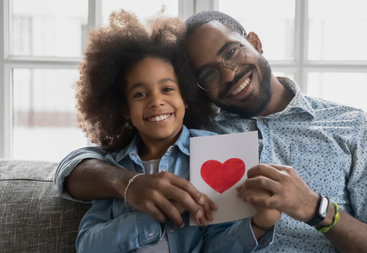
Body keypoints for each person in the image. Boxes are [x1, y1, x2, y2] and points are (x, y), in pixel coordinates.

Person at [55, 10, 367, 253]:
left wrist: (315, 209)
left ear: (255, 43)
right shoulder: (194, 132)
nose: (228, 74)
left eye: (232, 51)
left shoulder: (351, 127)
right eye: (208, 74)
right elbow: (76, 167)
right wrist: (127, 184)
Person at [69, 10, 279, 253]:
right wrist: (152, 217)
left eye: (167, 89)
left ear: (186, 97)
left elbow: (218, 246)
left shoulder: (214, 152)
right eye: (139, 94)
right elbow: (87, 245)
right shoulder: (114, 166)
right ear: (124, 109)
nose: (156, 101)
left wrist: (258, 225)